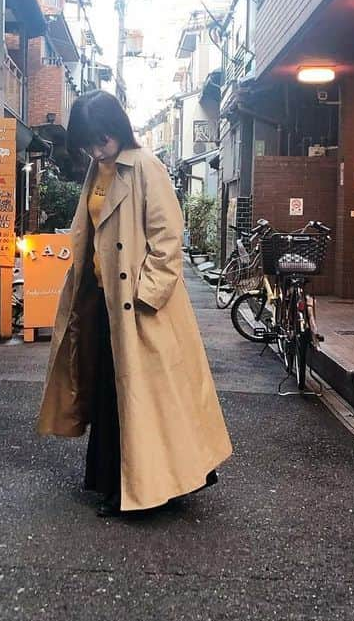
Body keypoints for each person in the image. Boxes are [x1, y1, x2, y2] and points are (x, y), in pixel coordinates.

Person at [36, 90, 231, 516]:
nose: (95, 149)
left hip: (140, 309)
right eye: (88, 143)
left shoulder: (145, 167)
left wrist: (146, 297)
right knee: (113, 394)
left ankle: (141, 488)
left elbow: (167, 241)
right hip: (104, 303)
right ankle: (117, 481)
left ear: (117, 130)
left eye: (101, 140)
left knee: (146, 398)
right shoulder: (98, 169)